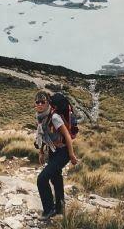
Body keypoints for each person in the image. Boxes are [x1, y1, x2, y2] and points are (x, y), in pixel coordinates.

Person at [35, 90, 79, 219]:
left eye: (43, 102)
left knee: (42, 179)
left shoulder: (54, 117)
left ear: (48, 103)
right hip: (53, 150)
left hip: (63, 152)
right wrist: (41, 152)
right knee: (55, 178)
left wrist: (71, 155)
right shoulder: (40, 116)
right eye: (37, 102)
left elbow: (66, 135)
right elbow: (43, 134)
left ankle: (49, 210)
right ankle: (60, 207)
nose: (39, 104)